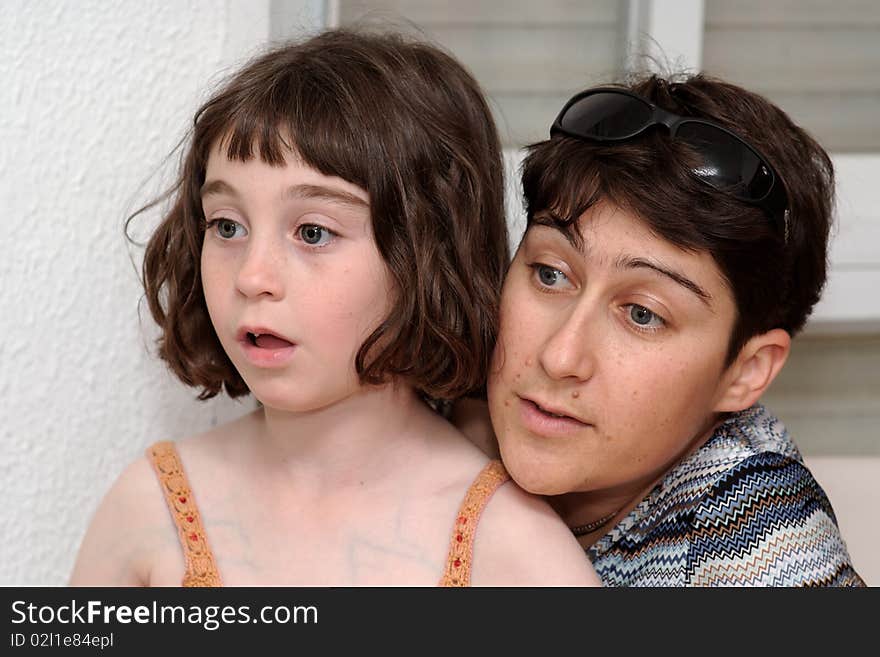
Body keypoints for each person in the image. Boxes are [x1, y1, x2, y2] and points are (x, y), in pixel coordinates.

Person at [68, 29, 600, 587]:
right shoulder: (152, 509)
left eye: (313, 232)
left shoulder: (515, 553)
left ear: (427, 255)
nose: (252, 276)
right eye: (227, 226)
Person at [479, 73, 865, 586]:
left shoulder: (761, 555)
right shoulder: (440, 405)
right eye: (551, 274)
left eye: (643, 314)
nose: (560, 355)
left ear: (745, 372)